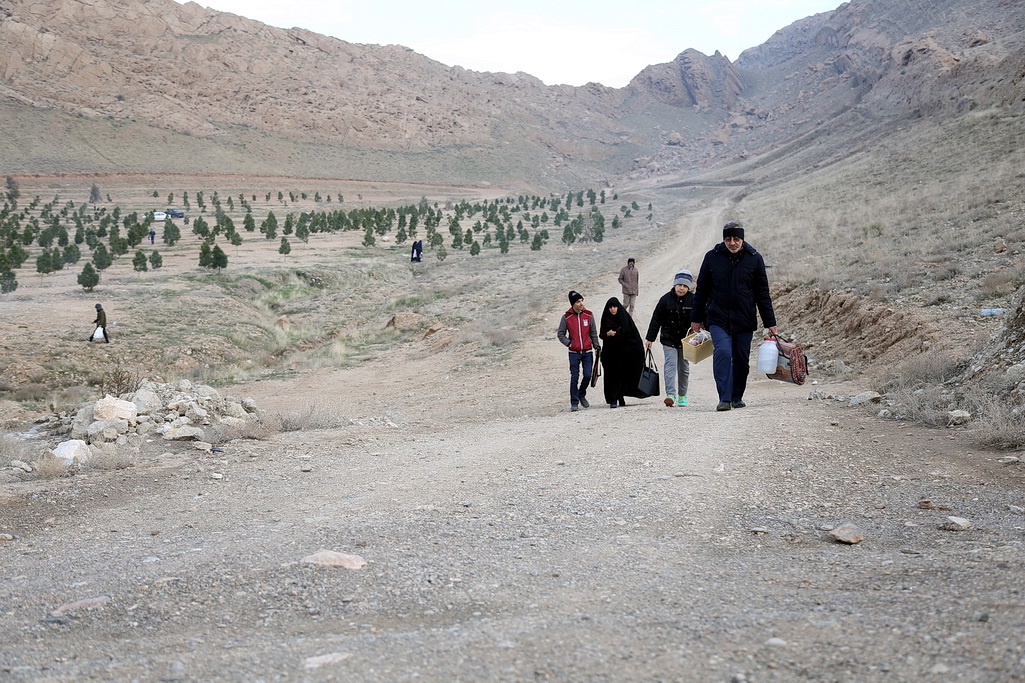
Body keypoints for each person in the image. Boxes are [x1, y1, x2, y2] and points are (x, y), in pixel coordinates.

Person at [691, 220, 778, 411]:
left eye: (736, 239)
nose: (732, 243)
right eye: (728, 239)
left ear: (742, 239)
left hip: (744, 318)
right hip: (717, 317)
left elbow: (762, 293)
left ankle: (737, 396)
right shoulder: (712, 257)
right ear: (723, 240)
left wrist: (770, 322)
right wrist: (696, 319)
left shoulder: (754, 258)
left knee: (741, 358)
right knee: (722, 352)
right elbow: (702, 290)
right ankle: (724, 398)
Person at [644, 270, 695, 407]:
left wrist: (707, 333)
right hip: (669, 339)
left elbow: (703, 316)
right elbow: (656, 320)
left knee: (684, 368)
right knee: (670, 366)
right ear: (674, 285)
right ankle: (670, 395)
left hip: (687, 340)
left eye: (685, 286)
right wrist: (650, 338)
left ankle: (682, 395)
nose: (681, 288)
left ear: (688, 287)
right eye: (679, 285)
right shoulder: (665, 299)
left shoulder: (694, 299)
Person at [557, 290, 600, 412]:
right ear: (573, 304)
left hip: (587, 352)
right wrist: (569, 343)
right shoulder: (566, 317)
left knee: (587, 375)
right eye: (578, 301)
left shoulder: (589, 315)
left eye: (582, 300)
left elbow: (593, 333)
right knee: (574, 377)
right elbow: (560, 334)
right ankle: (574, 402)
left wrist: (596, 346)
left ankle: (581, 393)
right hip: (574, 353)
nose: (581, 303)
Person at [598, 296, 645, 408]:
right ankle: (613, 399)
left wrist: (618, 333)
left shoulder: (624, 318)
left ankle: (621, 396)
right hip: (610, 353)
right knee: (611, 376)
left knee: (623, 374)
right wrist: (608, 334)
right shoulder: (605, 318)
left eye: (614, 307)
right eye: (610, 307)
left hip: (624, 353)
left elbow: (632, 335)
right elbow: (601, 334)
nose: (612, 309)